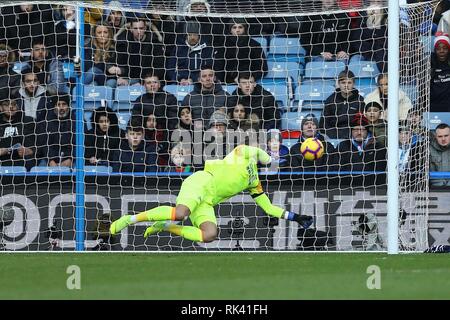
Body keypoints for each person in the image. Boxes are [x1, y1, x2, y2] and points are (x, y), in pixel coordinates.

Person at [110, 144, 314, 243]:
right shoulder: (244, 153)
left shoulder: (254, 183)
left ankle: (165, 227)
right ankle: (130, 219)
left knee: (209, 235)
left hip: (207, 202)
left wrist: (296, 217)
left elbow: (268, 208)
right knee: (181, 213)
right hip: (201, 182)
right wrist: (271, 160)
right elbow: (260, 153)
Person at [214, 18, 268, 84]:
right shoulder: (223, 45)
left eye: (240, 27)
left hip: (247, 82)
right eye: (234, 27)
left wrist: (250, 77)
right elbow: (218, 65)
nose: (237, 30)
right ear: (230, 30)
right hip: (226, 82)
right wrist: (221, 79)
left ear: (244, 28)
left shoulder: (254, 45)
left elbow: (263, 68)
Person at [320, 70, 365, 139]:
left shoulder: (360, 100)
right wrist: (332, 136)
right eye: (343, 83)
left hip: (352, 137)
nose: (346, 86)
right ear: (338, 83)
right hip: (333, 136)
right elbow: (323, 123)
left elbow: (361, 123)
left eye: (349, 83)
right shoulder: (330, 100)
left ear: (353, 84)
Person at [0, 94, 36, 170]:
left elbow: (38, 145)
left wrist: (31, 151)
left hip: (23, 162)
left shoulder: (28, 121)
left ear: (17, 106)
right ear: (1, 108)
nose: (11, 107)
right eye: (6, 105)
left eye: (13, 104)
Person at [430, 32, 450, 112]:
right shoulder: (428, 64)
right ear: (435, 50)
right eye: (438, 49)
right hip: (432, 105)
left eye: (445, 48)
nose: (441, 51)